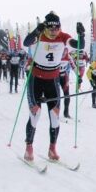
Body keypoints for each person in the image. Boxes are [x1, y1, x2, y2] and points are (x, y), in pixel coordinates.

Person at [22, 12, 84, 162]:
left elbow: (79, 46)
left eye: (56, 28)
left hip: (52, 80)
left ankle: (52, 148)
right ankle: (29, 147)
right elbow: (26, 42)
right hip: (36, 79)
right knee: (35, 115)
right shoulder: (40, 35)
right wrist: (37, 30)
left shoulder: (63, 36)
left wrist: (81, 34)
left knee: (55, 117)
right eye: (50, 28)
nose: (53, 31)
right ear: (45, 27)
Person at [58, 52, 74, 119]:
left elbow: (73, 66)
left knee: (67, 95)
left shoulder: (68, 56)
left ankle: (66, 113)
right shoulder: (56, 54)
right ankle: (55, 113)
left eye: (64, 53)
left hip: (64, 76)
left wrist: (78, 76)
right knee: (56, 95)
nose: (63, 54)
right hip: (55, 76)